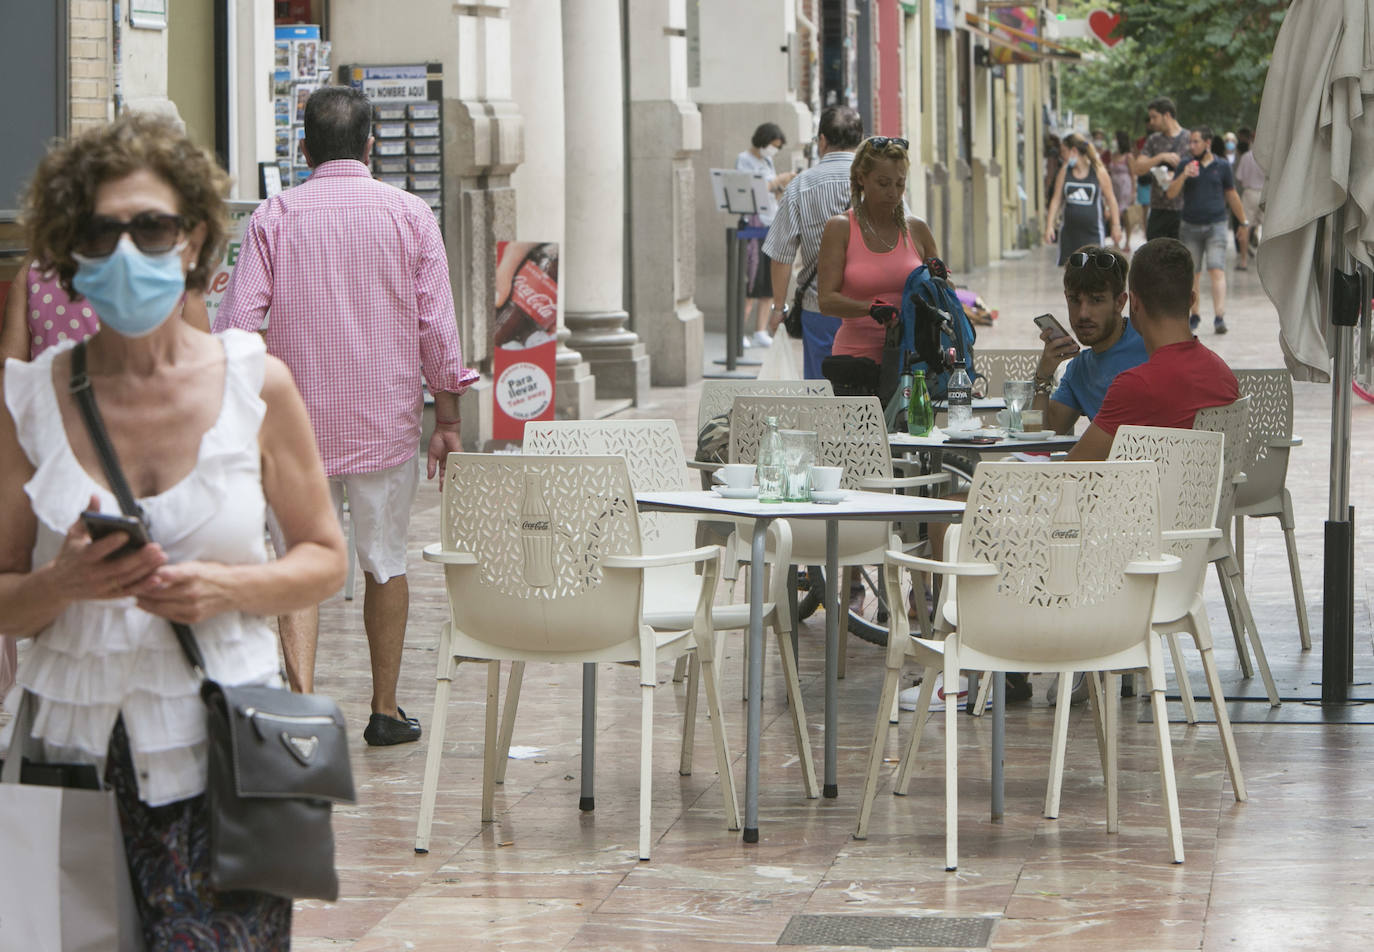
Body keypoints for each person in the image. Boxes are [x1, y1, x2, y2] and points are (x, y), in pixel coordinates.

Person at [0, 111, 346, 947]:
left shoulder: (256, 385)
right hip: (66, 753)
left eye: (150, 226)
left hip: (222, 759)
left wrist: (226, 587)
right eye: (99, 230)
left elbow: (325, 559)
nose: (126, 252)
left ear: (192, 239)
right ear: (68, 252)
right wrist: (61, 585)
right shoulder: (27, 401)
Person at [215, 86, 478, 746]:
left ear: (302, 150)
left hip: (292, 431)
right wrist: (446, 419)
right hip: (383, 426)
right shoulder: (410, 215)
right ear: (370, 146)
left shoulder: (274, 217)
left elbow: (238, 326)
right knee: (385, 562)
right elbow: (437, 330)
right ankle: (385, 712)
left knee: (298, 561)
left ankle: (302, 710)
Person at [0, 250, 211, 704]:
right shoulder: (170, 277)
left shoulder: (36, 273)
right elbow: (203, 376)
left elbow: (8, 369)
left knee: (66, 586)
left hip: (59, 459)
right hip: (154, 456)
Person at [1067, 237, 1239, 462]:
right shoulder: (1222, 374)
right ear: (1191, 299)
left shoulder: (1136, 386)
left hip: (1150, 497)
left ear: (1134, 303)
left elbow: (1072, 470)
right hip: (1211, 497)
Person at [816, 136, 938, 381]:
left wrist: (941, 284)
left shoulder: (918, 230)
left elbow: (943, 294)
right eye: (883, 183)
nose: (893, 193)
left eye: (899, 184)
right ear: (861, 178)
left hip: (913, 361)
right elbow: (826, 301)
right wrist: (870, 308)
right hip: (856, 360)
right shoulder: (841, 228)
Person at [763, 104, 864, 379]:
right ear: (861, 141)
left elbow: (781, 254)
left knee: (822, 393)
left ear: (822, 141)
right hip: (869, 309)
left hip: (818, 308)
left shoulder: (801, 185)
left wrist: (778, 307)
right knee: (868, 395)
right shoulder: (877, 183)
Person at [1032, 245, 1148, 433]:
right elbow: (1041, 437)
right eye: (1074, 300)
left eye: (1096, 300)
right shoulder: (1079, 370)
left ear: (1120, 302)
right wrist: (1043, 376)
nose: (1083, 314)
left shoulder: (1149, 343)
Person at [1164, 125, 1249, 335]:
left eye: (1196, 141)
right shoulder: (1186, 163)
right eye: (1190, 142)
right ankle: (1195, 315)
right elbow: (1171, 194)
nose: (1191, 145)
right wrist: (1184, 175)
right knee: (1192, 273)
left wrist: (1244, 222)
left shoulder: (1222, 166)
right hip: (1190, 226)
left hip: (1216, 225)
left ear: (1207, 143)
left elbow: (1232, 195)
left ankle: (1219, 317)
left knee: (1216, 268)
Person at [736, 122, 796, 350]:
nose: (773, 150)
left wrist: (781, 187)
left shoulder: (767, 161)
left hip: (771, 222)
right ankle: (739, 330)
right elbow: (751, 189)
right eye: (772, 145)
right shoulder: (744, 160)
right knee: (751, 280)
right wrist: (778, 180)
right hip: (753, 223)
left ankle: (760, 330)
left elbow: (770, 190)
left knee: (767, 283)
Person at [1044, 133, 1122, 264]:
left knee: (1094, 269)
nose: (1061, 155)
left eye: (1064, 151)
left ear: (1073, 151)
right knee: (1070, 271)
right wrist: (1049, 226)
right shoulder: (1065, 172)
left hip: (1093, 233)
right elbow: (1056, 199)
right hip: (1069, 234)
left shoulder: (1098, 172)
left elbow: (1111, 199)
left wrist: (1116, 225)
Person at [1132, 96, 1191, 241]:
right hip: (1158, 209)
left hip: (1184, 210)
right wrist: (1160, 157)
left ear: (1167, 115)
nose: (1151, 122)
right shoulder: (1153, 140)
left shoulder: (1190, 139)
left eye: (1154, 117)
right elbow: (1138, 168)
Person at [1233, 141, 1265, 270]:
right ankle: (1267, 263)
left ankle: (1244, 261)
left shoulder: (1246, 156)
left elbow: (1239, 177)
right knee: (1267, 227)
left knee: (1245, 226)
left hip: (1249, 193)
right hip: (1264, 193)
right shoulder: (1268, 156)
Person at [1109, 130, 1142, 246]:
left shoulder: (1129, 156)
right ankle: (1116, 240)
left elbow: (1133, 175)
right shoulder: (1113, 155)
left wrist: (1133, 192)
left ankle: (1127, 241)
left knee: (1126, 214)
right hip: (1114, 188)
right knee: (1114, 213)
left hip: (1125, 188)